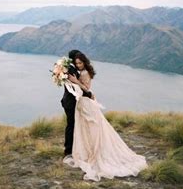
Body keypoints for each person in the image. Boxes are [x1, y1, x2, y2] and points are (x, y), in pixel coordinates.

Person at [63, 51, 148, 181]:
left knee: (90, 127)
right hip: (82, 103)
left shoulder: (85, 73)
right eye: (76, 63)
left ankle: (93, 152)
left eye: (80, 62)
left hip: (86, 103)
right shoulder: (82, 71)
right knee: (85, 128)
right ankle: (85, 149)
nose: (78, 65)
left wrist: (75, 81)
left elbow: (87, 89)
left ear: (84, 62)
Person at [60, 49, 93, 158]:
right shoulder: (71, 71)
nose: (77, 63)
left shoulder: (69, 69)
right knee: (71, 126)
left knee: (76, 125)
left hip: (69, 101)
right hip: (70, 103)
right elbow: (77, 88)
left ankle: (75, 148)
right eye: (76, 61)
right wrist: (89, 95)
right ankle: (68, 151)